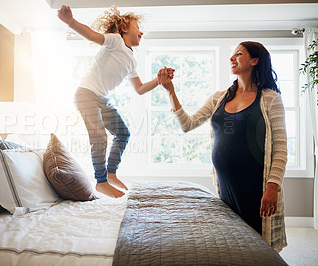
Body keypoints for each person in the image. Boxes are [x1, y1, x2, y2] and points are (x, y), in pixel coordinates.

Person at [158, 41, 287, 252]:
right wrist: (170, 91)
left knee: (258, 245)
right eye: (232, 54)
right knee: (232, 243)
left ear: (255, 61)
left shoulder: (270, 99)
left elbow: (280, 147)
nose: (231, 57)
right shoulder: (218, 98)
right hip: (226, 185)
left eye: (239, 53)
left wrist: (273, 187)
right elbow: (187, 125)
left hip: (256, 186)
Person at [57, 6, 174, 198]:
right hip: (86, 93)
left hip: (102, 98)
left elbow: (140, 89)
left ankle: (111, 174)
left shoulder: (131, 60)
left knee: (123, 133)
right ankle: (101, 182)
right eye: (138, 27)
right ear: (124, 28)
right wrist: (71, 22)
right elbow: (91, 35)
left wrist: (159, 79)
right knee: (100, 137)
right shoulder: (115, 41)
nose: (141, 32)